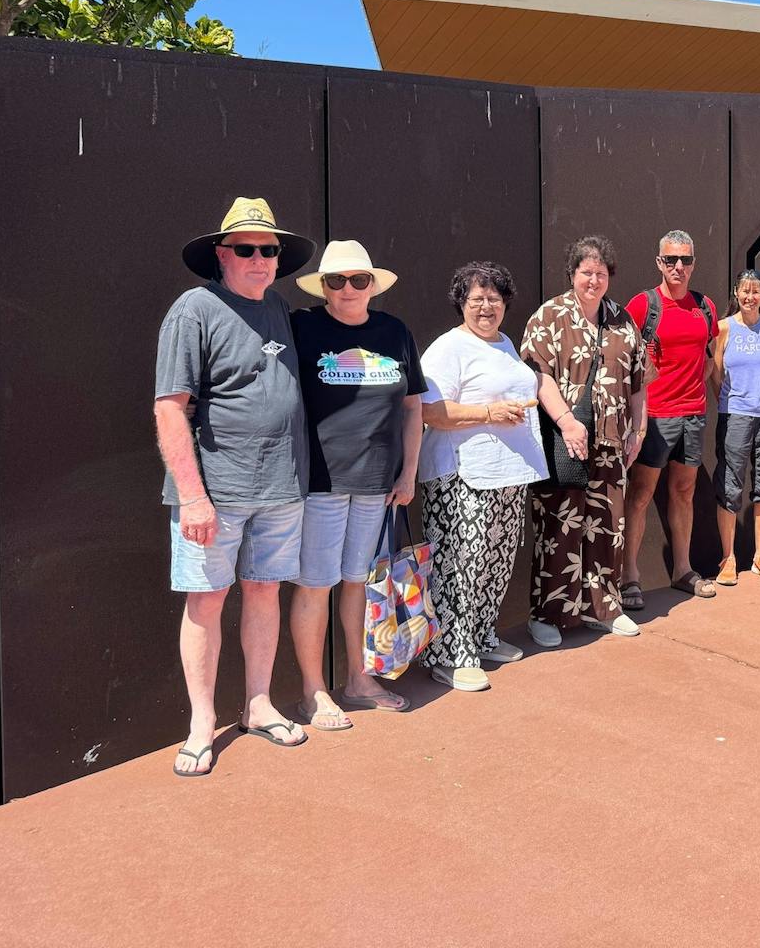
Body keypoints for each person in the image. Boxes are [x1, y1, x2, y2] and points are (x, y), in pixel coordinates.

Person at [154, 197, 317, 777]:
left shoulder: (277, 307)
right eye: (246, 248)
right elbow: (170, 409)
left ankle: (257, 704)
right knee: (205, 600)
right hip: (215, 495)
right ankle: (201, 724)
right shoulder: (193, 310)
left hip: (280, 489)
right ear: (222, 255)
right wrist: (192, 494)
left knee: (264, 592)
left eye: (268, 249)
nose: (259, 258)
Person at [287, 241, 425, 730]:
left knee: (355, 583)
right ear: (322, 287)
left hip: (377, 485)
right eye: (336, 280)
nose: (347, 289)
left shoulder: (395, 332)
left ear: (373, 285)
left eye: (358, 280)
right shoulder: (302, 327)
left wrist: (408, 473)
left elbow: (413, 408)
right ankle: (313, 692)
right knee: (314, 585)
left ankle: (357, 680)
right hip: (321, 483)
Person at [416, 261, 548, 691]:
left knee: (496, 560)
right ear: (461, 304)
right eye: (476, 300)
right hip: (460, 476)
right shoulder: (446, 349)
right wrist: (487, 412)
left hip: (506, 474)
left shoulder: (506, 343)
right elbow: (430, 411)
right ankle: (451, 655)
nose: (485, 307)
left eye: (494, 299)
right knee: (461, 563)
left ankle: (479, 636)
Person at [519, 236, 649, 642]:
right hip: (563, 441)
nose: (593, 280)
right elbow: (537, 375)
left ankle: (603, 608)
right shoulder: (549, 316)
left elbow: (639, 380)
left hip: (611, 442)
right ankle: (548, 615)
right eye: (586, 272)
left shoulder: (621, 319)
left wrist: (639, 429)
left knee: (608, 524)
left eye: (601, 273)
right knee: (559, 524)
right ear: (573, 274)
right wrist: (566, 421)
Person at [623, 230, 718, 606]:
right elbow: (625, 359)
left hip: (693, 414)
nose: (679, 267)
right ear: (659, 263)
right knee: (641, 494)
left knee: (684, 492)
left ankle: (682, 569)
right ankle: (629, 575)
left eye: (686, 260)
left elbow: (709, 357)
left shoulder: (704, 305)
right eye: (671, 260)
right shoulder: (643, 306)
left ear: (694, 263)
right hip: (654, 418)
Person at [709, 269, 760, 585]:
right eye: (744, 291)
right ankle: (728, 558)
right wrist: (730, 402)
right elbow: (715, 374)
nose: (750, 297)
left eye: (756, 291)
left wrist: (759, 400)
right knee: (729, 485)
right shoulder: (724, 328)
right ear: (736, 294)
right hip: (734, 415)